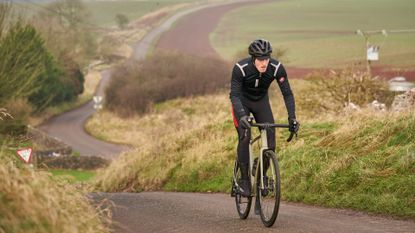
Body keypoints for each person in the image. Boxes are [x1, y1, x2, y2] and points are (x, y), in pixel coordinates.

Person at [230, 39, 299, 197]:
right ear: (253, 58)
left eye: (266, 58)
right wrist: (242, 116)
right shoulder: (240, 68)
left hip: (261, 103)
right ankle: (244, 181)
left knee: (271, 143)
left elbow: (287, 93)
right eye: (260, 59)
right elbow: (234, 95)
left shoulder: (276, 68)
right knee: (245, 136)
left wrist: (292, 117)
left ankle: (261, 172)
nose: (264, 63)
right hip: (242, 103)